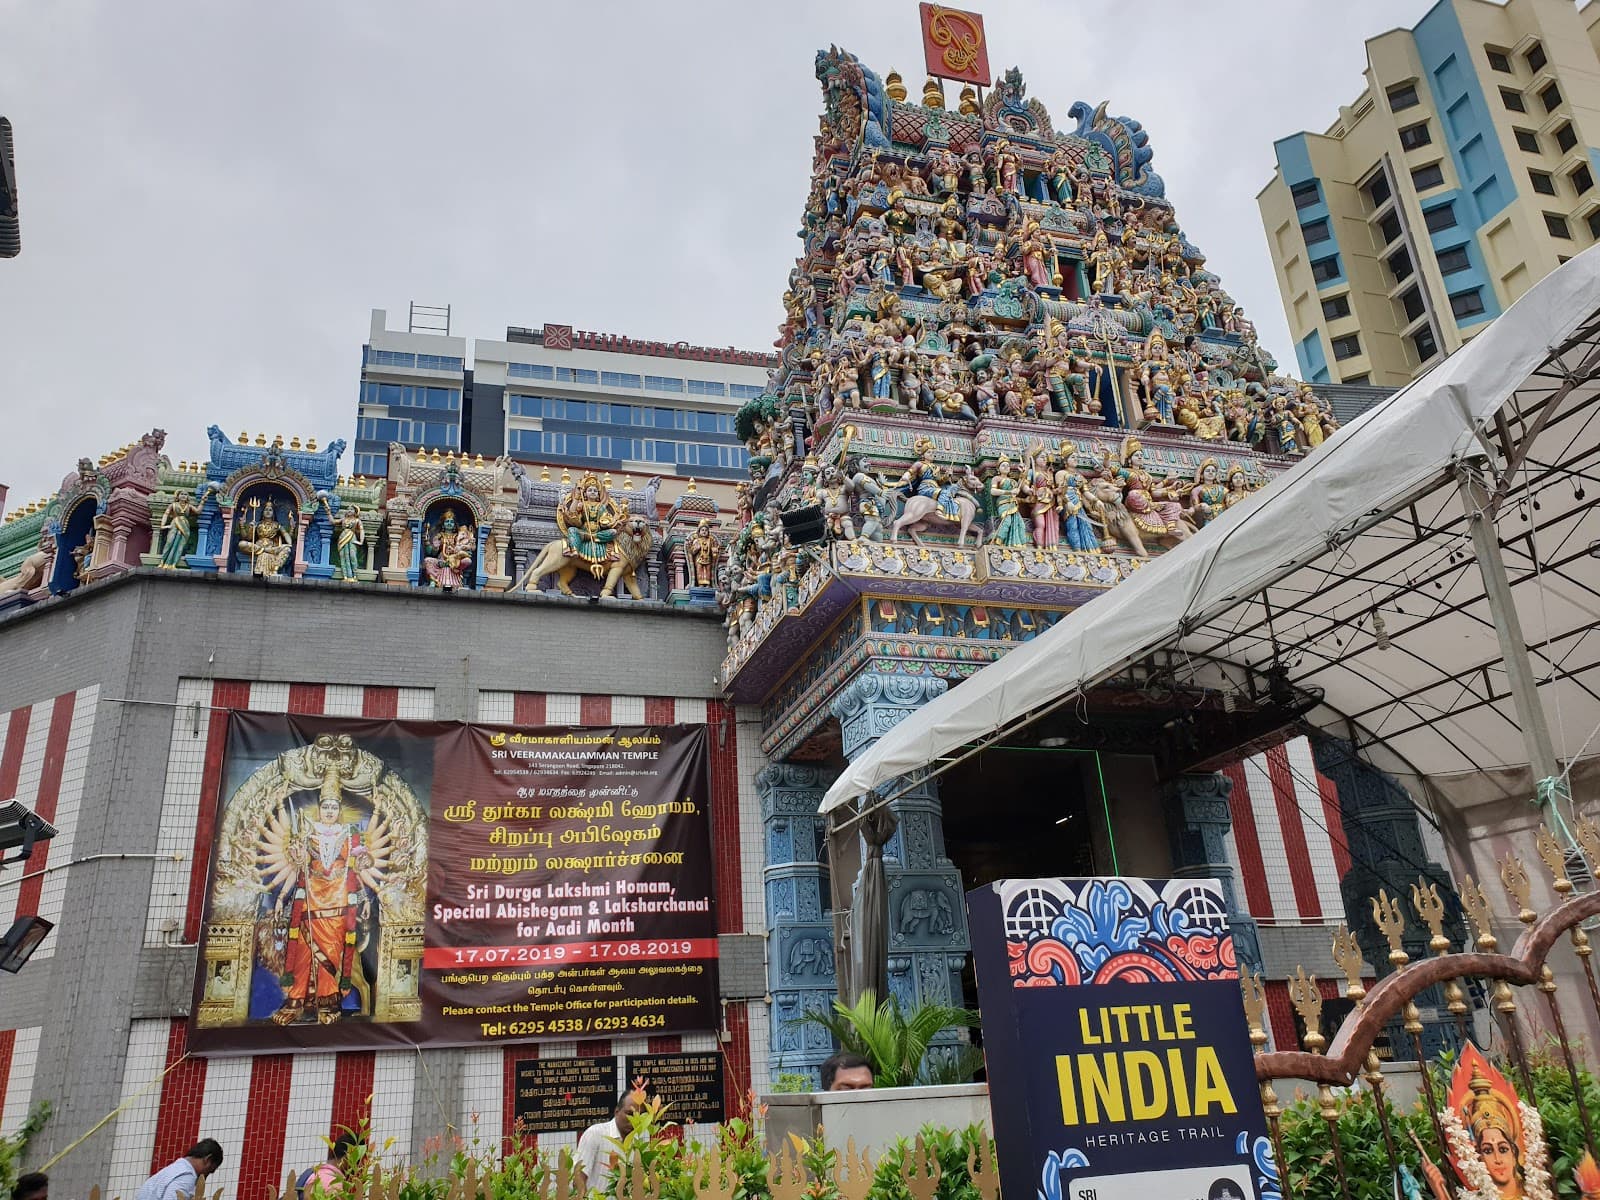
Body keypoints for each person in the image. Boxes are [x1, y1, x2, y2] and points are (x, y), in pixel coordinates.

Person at [575, 1091, 643, 1188]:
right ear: (617, 1111)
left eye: (639, 1116)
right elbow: (578, 1178)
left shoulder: (638, 1144)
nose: (634, 1120)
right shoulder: (595, 1134)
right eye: (629, 1113)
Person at [136, 1139, 223, 1200]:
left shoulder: (175, 1169)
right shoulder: (187, 1177)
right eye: (210, 1171)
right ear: (207, 1159)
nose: (205, 1178)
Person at [297, 1128, 362, 1199]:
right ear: (347, 1157)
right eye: (358, 1161)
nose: (360, 1166)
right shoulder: (333, 1182)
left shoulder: (312, 1173)